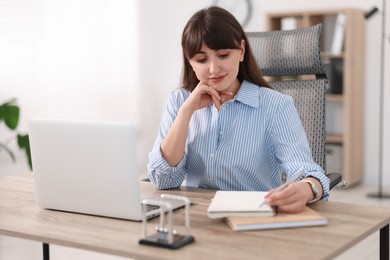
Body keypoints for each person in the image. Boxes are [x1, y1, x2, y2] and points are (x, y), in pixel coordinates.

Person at [147, 6, 329, 213]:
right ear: (190, 62)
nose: (214, 69)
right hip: (194, 217)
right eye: (201, 59)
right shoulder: (179, 100)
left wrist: (306, 189)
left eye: (223, 55)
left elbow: (308, 172)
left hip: (252, 216)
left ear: (241, 51)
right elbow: (162, 179)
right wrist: (185, 112)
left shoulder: (276, 105)